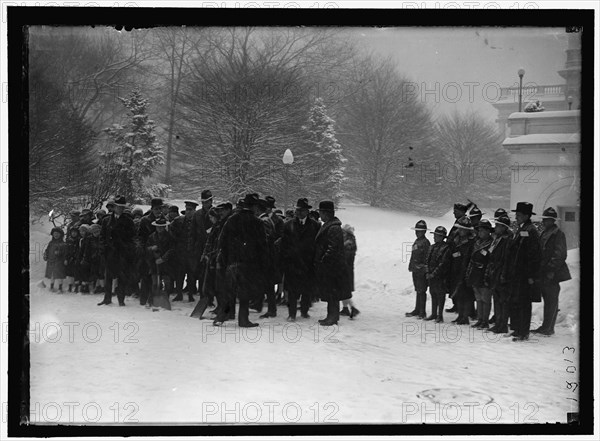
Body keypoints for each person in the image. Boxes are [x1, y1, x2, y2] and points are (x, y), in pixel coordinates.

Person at [215, 193, 269, 327]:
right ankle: (243, 319)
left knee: (229, 291)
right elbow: (262, 246)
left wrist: (227, 258)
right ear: (255, 207)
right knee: (245, 292)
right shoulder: (257, 222)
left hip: (232, 262)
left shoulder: (232, 219)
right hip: (249, 264)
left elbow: (221, 241)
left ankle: (221, 317)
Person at [279, 198, 320, 321]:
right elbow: (284, 244)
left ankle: (304, 311)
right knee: (292, 290)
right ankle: (292, 314)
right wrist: (285, 259)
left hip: (308, 263)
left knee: (307, 289)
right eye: (298, 210)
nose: (299, 213)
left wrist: (315, 260)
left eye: (302, 210)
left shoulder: (315, 225)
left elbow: (318, 244)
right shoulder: (288, 225)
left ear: (307, 211)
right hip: (293, 263)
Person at [533, 207, 571, 336]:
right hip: (544, 272)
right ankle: (546, 326)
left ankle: (549, 328)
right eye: (544, 220)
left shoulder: (558, 234)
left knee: (551, 301)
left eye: (547, 220)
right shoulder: (545, 233)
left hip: (552, 274)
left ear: (552, 220)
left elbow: (560, 255)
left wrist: (551, 269)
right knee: (548, 300)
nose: (544, 222)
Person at [507, 202, 541, 342]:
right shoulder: (522, 228)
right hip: (518, 272)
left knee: (524, 303)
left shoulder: (531, 230)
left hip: (525, 274)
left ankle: (523, 332)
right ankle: (518, 329)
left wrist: (531, 275)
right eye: (516, 214)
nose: (517, 217)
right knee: (517, 301)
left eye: (519, 215)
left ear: (527, 216)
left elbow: (533, 255)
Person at [314, 200, 349, 326]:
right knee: (330, 293)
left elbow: (332, 248)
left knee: (333, 293)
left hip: (333, 267)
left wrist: (324, 260)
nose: (320, 216)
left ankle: (333, 317)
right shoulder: (329, 225)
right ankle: (331, 315)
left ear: (326, 213)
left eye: (321, 213)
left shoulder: (333, 228)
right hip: (330, 266)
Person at [98, 195, 136, 306]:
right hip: (109, 252)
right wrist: (103, 248)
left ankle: (121, 299)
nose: (120, 209)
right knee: (108, 276)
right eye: (118, 206)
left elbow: (132, 237)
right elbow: (102, 236)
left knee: (122, 277)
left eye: (122, 207)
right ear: (114, 207)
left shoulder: (128, 221)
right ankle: (107, 298)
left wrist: (127, 249)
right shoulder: (106, 220)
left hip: (122, 253)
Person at [484, 215, 513, 334]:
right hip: (494, 272)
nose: (495, 228)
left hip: (501, 272)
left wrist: (503, 274)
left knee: (503, 301)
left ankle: (503, 324)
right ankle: (498, 323)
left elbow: (506, 259)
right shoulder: (497, 239)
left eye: (498, 226)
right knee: (497, 299)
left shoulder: (507, 240)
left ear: (503, 227)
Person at [171, 200, 201, 302]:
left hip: (192, 254)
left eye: (190, 210)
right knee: (179, 275)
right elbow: (171, 234)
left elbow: (201, 237)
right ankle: (179, 294)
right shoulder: (178, 221)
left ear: (194, 210)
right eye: (187, 209)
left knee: (192, 275)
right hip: (180, 253)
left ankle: (191, 295)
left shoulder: (198, 222)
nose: (188, 212)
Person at [466, 219, 494, 329]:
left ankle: (485, 320)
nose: (480, 232)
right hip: (475, 272)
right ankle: (480, 319)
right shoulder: (477, 242)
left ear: (488, 231)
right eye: (479, 230)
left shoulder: (491, 243)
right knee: (478, 297)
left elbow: (491, 259)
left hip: (485, 272)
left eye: (483, 230)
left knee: (485, 298)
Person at [448, 216, 475, 325]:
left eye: (463, 229)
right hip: (455, 269)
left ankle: (465, 316)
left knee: (466, 295)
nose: (460, 231)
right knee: (458, 294)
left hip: (466, 270)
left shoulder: (471, 242)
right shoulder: (456, 241)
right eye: (460, 228)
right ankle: (460, 315)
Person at [138, 198, 164, 305]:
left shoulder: (164, 220)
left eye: (160, 209)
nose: (159, 211)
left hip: (159, 252)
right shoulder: (145, 220)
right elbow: (140, 237)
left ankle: (154, 298)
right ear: (152, 208)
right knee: (146, 276)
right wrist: (146, 249)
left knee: (158, 276)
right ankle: (144, 298)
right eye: (157, 209)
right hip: (147, 252)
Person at [146, 217, 176, 307]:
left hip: (167, 264)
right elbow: (146, 248)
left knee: (167, 283)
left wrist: (163, 258)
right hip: (154, 264)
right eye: (158, 227)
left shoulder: (170, 237)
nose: (160, 228)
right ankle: (152, 300)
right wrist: (151, 248)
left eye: (162, 227)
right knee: (155, 283)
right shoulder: (151, 237)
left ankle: (165, 300)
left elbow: (172, 249)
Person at [424, 226, 451, 322]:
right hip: (431, 274)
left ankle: (440, 314)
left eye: (437, 235)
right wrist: (428, 272)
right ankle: (434, 313)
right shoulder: (432, 247)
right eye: (435, 235)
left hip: (440, 276)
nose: (435, 237)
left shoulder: (446, 248)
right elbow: (427, 260)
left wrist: (434, 273)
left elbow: (443, 263)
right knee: (433, 293)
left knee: (440, 295)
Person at [405, 220, 430, 319]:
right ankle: (417, 309)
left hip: (421, 270)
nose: (417, 232)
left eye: (419, 231)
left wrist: (423, 267)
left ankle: (422, 311)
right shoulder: (418, 241)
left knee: (422, 290)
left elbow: (427, 257)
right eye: (416, 230)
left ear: (424, 231)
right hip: (416, 269)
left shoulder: (425, 243)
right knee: (418, 290)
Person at [340, 224, 360, 319]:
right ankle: (346, 308)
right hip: (347, 269)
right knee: (344, 290)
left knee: (344, 290)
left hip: (345, 269)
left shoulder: (348, 242)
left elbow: (346, 255)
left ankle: (352, 307)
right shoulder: (350, 240)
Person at [43, 227, 67, 292]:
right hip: (50, 261)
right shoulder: (51, 243)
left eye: (57, 233)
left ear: (61, 235)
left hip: (59, 262)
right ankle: (51, 287)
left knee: (59, 275)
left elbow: (65, 253)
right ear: (52, 234)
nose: (56, 235)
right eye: (54, 233)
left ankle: (60, 288)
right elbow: (47, 250)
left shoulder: (63, 244)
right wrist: (45, 254)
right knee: (52, 275)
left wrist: (63, 257)